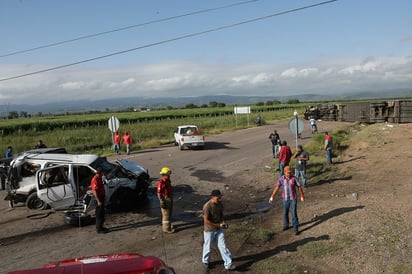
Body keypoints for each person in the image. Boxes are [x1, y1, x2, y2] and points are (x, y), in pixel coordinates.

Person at [202, 189, 236, 271]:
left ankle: (228, 264)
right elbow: (206, 220)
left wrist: (223, 222)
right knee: (207, 246)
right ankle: (205, 261)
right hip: (209, 230)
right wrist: (217, 225)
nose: (219, 199)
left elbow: (221, 214)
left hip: (219, 229)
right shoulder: (207, 206)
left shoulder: (219, 204)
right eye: (218, 198)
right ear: (212, 197)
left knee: (223, 246)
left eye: (220, 197)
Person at [269, 166, 305, 235]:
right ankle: (286, 225)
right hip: (285, 199)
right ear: (284, 172)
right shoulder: (281, 179)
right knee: (285, 212)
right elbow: (277, 187)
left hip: (293, 199)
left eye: (290, 172)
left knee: (294, 213)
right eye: (288, 173)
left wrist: (302, 195)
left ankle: (295, 227)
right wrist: (272, 196)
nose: (289, 174)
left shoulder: (294, 178)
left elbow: (299, 187)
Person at [91, 167, 109, 234]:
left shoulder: (100, 178)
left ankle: (101, 227)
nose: (103, 173)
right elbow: (94, 191)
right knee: (99, 214)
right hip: (99, 198)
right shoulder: (95, 179)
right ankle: (99, 229)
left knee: (102, 214)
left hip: (101, 197)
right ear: (100, 172)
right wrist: (98, 201)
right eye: (102, 172)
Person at [157, 167, 174, 233]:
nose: (169, 176)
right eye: (168, 175)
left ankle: (168, 225)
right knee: (166, 214)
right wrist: (162, 201)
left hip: (169, 198)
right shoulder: (161, 183)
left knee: (169, 213)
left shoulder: (167, 181)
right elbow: (159, 193)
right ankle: (166, 228)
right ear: (164, 175)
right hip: (165, 199)